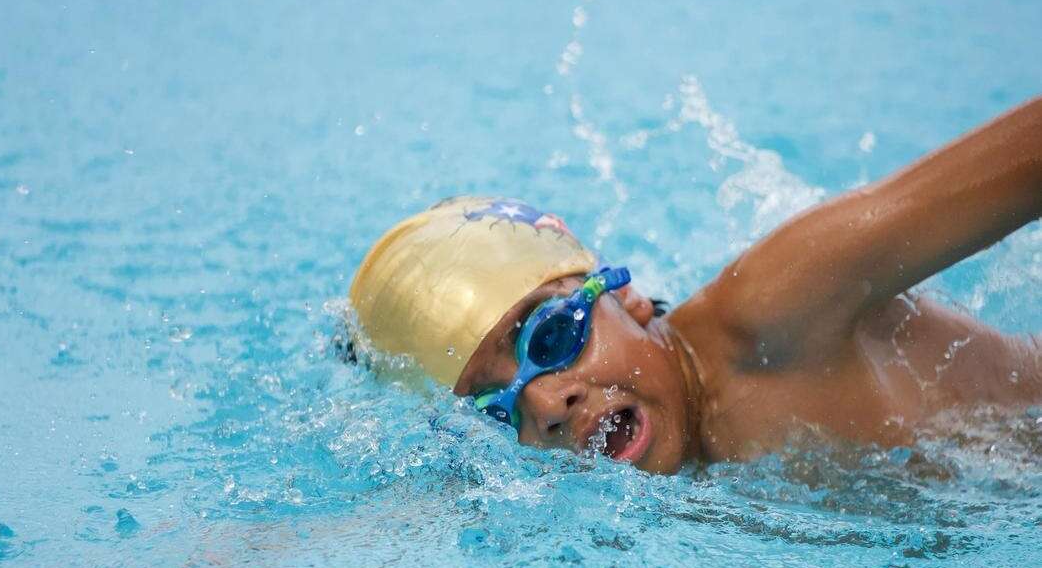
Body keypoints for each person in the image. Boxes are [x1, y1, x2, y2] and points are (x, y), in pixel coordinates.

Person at [349, 98, 1042, 473]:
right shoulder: (613, 486)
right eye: (495, 410)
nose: (546, 402)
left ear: (625, 297)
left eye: (551, 335)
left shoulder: (774, 314)